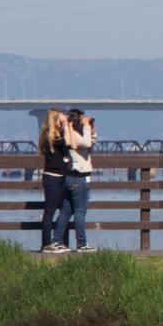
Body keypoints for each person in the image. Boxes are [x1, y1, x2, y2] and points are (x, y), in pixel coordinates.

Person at [52, 109, 96, 253]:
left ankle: (57, 241)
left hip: (70, 178)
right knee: (80, 211)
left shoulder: (70, 134)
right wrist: (87, 126)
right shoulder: (74, 134)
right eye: (82, 119)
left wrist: (90, 127)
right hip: (78, 177)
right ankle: (81, 244)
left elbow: (91, 141)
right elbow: (87, 143)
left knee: (66, 211)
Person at [36, 108, 71, 253]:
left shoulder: (56, 135)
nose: (63, 119)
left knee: (64, 209)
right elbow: (68, 142)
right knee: (50, 211)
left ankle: (60, 241)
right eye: (60, 117)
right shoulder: (49, 136)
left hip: (62, 177)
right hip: (52, 178)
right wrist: (65, 124)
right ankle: (46, 244)